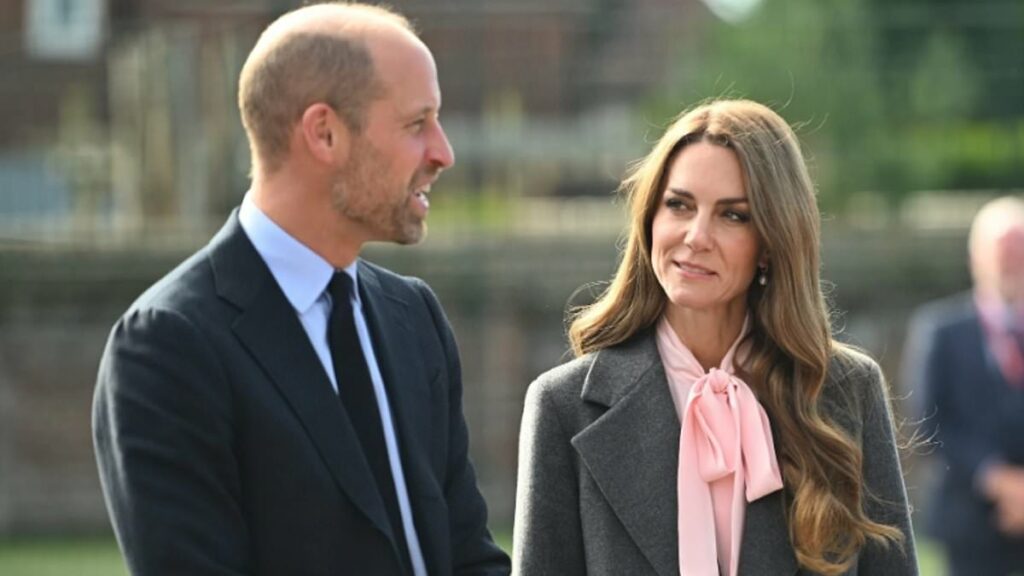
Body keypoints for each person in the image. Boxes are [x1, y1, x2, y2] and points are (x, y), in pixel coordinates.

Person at [92, 3, 510, 575]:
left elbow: (467, 556)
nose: (444, 152)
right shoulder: (169, 345)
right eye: (417, 124)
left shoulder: (413, 317)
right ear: (324, 133)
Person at [513, 99, 917, 576]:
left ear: (771, 242)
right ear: (649, 219)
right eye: (679, 205)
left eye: (733, 216)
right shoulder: (563, 406)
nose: (695, 235)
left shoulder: (846, 390)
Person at [903, 196, 1024, 575]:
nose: (1009, 260)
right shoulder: (940, 330)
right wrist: (999, 481)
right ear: (976, 258)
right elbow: (928, 422)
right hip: (969, 524)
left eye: (1017, 249)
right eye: (1000, 250)